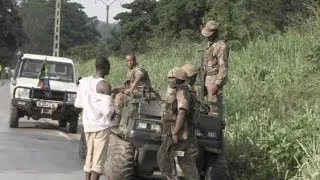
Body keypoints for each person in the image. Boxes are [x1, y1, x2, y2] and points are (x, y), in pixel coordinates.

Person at [74, 56, 114, 180]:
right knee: (98, 161)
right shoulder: (105, 85)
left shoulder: (84, 82)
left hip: (88, 125)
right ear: (106, 67)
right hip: (101, 127)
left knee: (89, 157)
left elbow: (78, 104)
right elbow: (107, 111)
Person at [157, 67, 199, 180]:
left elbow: (182, 112)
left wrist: (175, 132)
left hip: (180, 132)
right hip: (176, 131)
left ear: (179, 79)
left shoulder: (182, 92)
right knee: (170, 159)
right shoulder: (181, 91)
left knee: (170, 159)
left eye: (173, 78)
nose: (170, 81)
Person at [201, 20, 230, 116]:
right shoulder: (210, 44)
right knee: (205, 105)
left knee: (214, 108)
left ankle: (214, 128)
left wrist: (217, 84)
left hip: (214, 79)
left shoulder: (221, 46)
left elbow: (223, 66)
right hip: (205, 77)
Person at [113, 53, 152, 120]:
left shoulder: (138, 69)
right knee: (114, 93)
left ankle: (118, 119)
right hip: (136, 91)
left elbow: (139, 77)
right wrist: (116, 88)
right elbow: (127, 84)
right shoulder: (130, 71)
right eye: (127, 61)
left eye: (131, 60)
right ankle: (119, 116)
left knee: (119, 96)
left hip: (143, 92)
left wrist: (130, 89)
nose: (129, 62)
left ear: (135, 61)